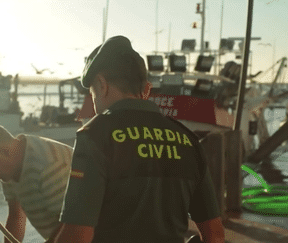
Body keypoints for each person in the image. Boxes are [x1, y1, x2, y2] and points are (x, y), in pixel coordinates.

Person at [48, 36, 225, 243]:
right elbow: (215, 234)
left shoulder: (95, 135)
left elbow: (77, 236)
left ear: (102, 85)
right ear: (145, 88)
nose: (93, 102)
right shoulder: (188, 140)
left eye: (92, 93)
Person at [0, 122, 73, 242]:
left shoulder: (48, 166)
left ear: (5, 152)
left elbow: (72, 224)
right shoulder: (11, 168)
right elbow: (16, 216)